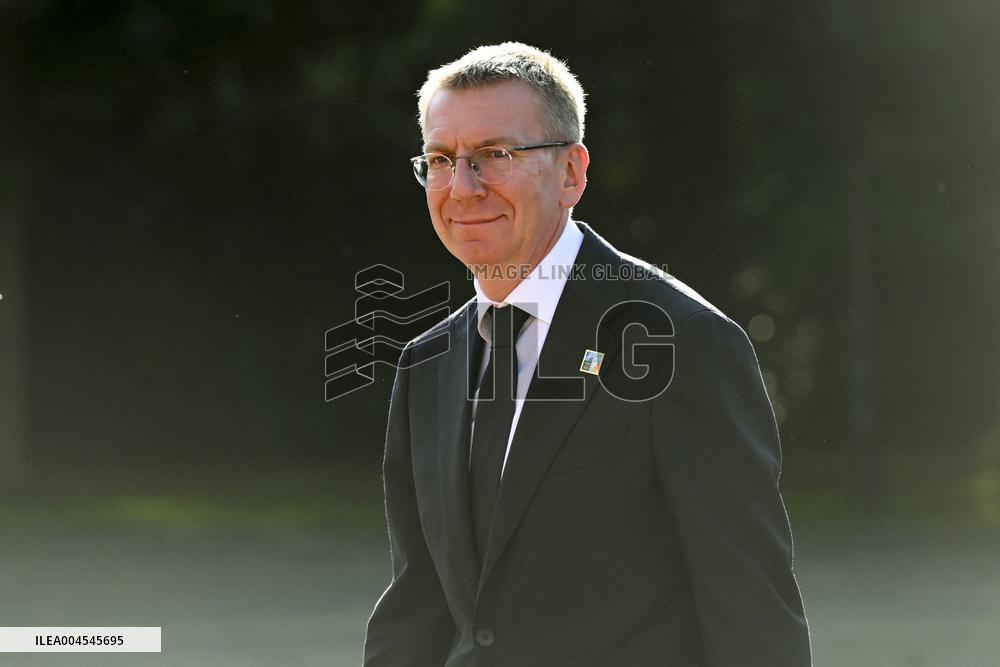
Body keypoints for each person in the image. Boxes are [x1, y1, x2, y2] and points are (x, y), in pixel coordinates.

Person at [363, 42, 812, 666]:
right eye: (441, 159)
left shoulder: (681, 341)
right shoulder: (425, 364)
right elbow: (419, 607)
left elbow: (752, 612)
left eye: (496, 154)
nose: (462, 187)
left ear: (571, 172)